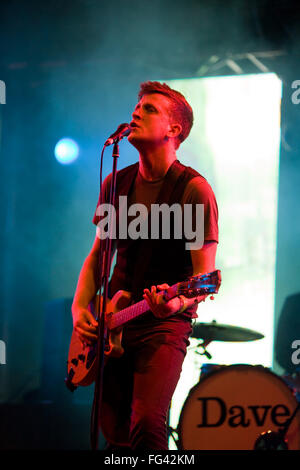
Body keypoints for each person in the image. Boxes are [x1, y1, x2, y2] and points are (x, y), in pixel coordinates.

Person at [71, 81, 219, 450]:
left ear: (174, 130)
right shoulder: (115, 183)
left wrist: (175, 303)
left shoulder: (193, 190)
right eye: (136, 107)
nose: (136, 112)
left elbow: (203, 280)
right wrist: (78, 309)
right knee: (114, 434)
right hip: (113, 320)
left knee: (148, 428)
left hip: (163, 324)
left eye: (150, 109)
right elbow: (97, 257)